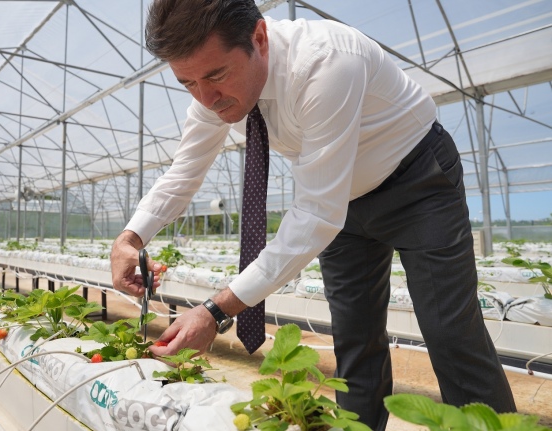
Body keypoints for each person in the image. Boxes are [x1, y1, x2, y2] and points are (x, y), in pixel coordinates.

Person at [109, 0, 516, 429]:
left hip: (417, 182)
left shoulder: (326, 63)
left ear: (259, 38)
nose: (206, 98)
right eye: (187, 83)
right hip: (343, 204)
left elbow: (317, 212)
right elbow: (184, 172)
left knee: (450, 332)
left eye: (216, 75)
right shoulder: (212, 95)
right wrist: (130, 239)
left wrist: (215, 310)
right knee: (354, 338)